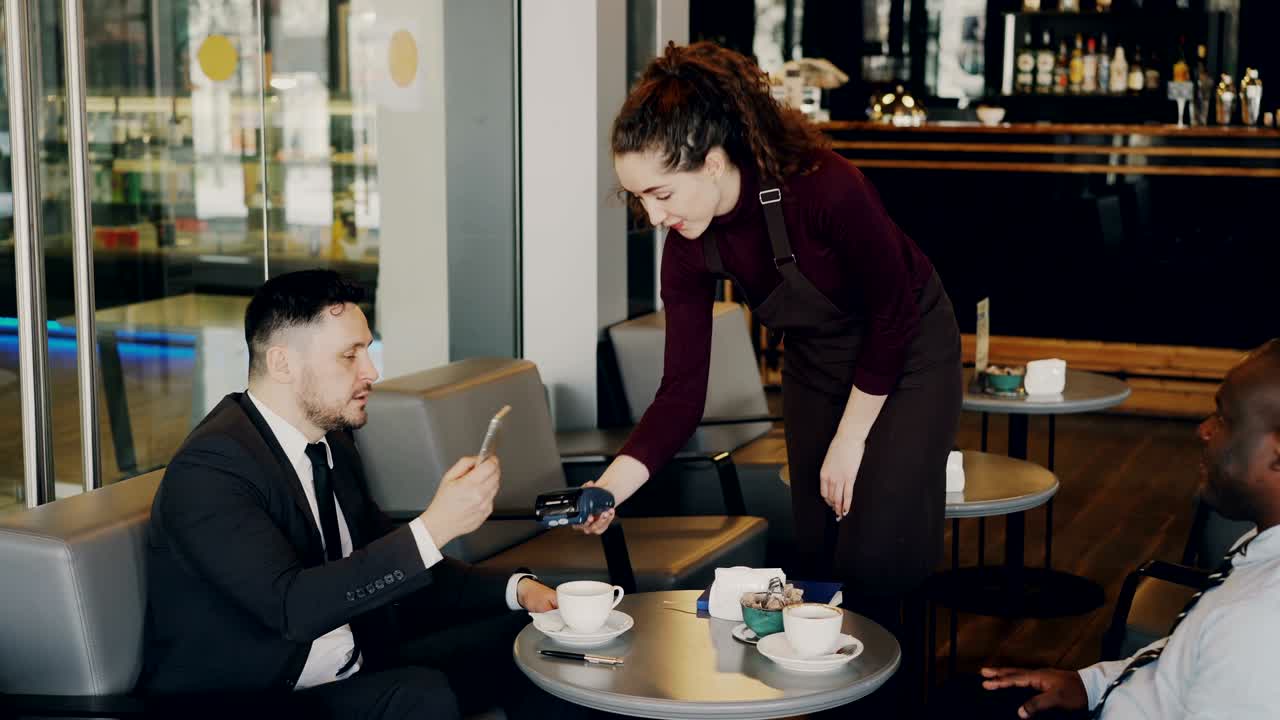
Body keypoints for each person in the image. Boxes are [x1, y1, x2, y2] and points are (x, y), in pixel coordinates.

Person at [582, 41, 962, 644]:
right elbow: (681, 393)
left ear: (712, 162)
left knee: (875, 554)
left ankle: (894, 681)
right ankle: (826, 681)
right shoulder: (687, 248)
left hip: (910, 352)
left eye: (661, 193)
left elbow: (892, 317)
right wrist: (610, 488)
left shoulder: (825, 187)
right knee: (820, 549)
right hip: (816, 363)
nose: (652, 217)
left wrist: (850, 438)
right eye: (639, 198)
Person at [139, 270, 570, 720]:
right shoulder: (212, 469)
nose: (372, 371)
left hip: (357, 660)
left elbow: (390, 566)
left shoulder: (333, 443)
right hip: (253, 697)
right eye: (350, 355)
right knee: (420, 695)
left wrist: (518, 590)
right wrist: (434, 527)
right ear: (282, 364)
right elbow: (292, 608)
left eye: (367, 349)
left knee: (531, 641)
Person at [963, 339, 1280, 719]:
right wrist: (1090, 684)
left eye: (1224, 419)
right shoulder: (1262, 548)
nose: (1204, 430)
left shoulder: (1260, 623)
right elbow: (1181, 660)